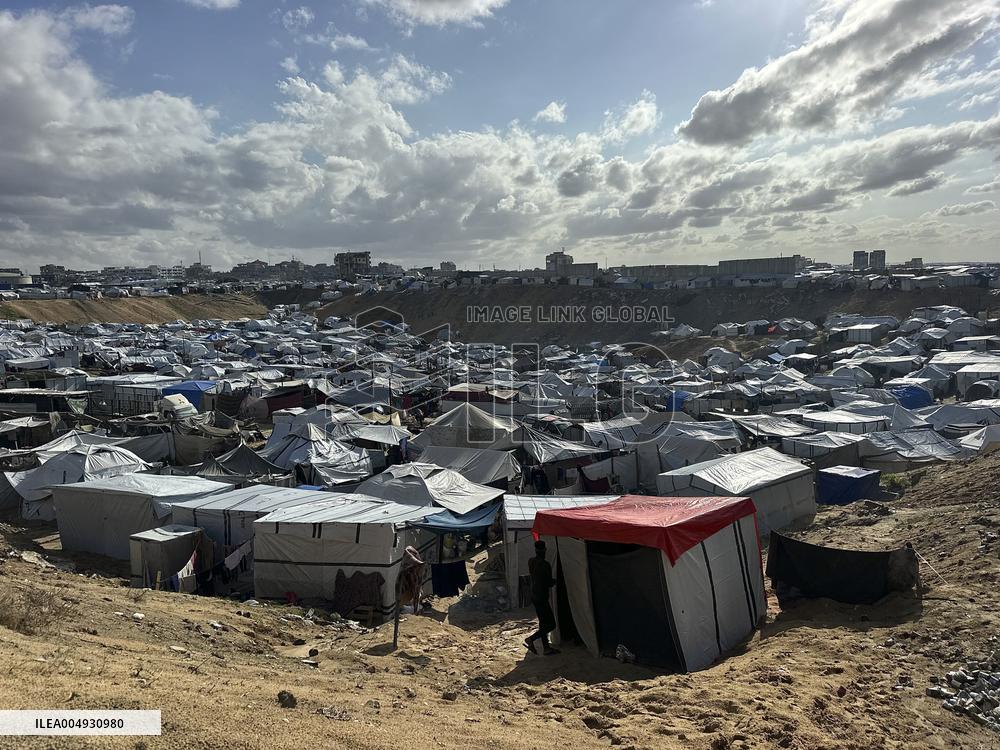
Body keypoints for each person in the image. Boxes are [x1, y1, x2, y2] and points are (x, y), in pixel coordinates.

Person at [524, 540, 559, 655]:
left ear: (535, 550)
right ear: (545, 550)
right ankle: (531, 639)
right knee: (551, 624)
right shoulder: (545, 565)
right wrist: (556, 581)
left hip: (534, 595)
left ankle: (546, 648)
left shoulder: (531, 561)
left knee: (543, 623)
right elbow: (548, 582)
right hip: (542, 597)